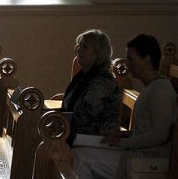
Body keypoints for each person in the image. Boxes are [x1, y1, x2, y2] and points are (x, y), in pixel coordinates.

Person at [73, 34, 178, 179]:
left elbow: (159, 135)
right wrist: (124, 134)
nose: (127, 64)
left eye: (131, 59)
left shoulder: (160, 91)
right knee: (79, 147)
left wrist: (122, 142)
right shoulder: (152, 87)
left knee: (81, 157)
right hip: (138, 152)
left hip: (147, 161)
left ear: (147, 59)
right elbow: (148, 129)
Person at [63, 29, 121, 149]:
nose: (78, 49)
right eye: (79, 45)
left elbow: (85, 117)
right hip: (79, 135)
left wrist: (54, 118)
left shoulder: (103, 81)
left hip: (94, 141)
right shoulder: (83, 76)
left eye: (84, 47)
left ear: (98, 54)